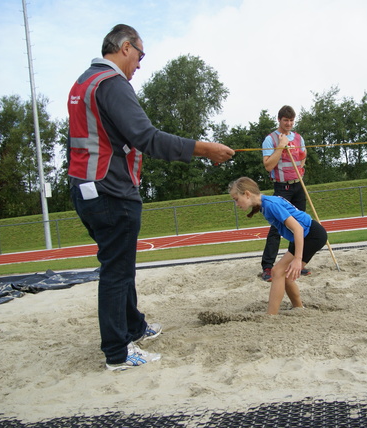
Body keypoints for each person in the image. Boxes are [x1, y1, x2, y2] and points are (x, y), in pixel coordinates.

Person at [67, 24, 234, 371]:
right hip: (111, 191)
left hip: (86, 188)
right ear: (125, 47)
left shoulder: (85, 81)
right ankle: (117, 352)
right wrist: (204, 149)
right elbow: (148, 138)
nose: (140, 65)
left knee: (120, 265)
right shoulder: (112, 84)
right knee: (117, 270)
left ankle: (134, 326)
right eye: (140, 56)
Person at [229, 177, 327, 315]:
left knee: (277, 272)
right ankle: (298, 308)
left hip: (311, 235)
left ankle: (271, 315)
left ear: (247, 194)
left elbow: (298, 228)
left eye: (236, 199)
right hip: (306, 235)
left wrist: (298, 259)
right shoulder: (263, 203)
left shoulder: (270, 204)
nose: (236, 204)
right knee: (285, 275)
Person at [260, 105, 311, 282]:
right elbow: (268, 166)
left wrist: (301, 167)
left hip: (298, 185)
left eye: (291, 120)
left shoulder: (298, 137)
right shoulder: (270, 139)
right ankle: (267, 267)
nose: (288, 124)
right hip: (282, 188)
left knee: (301, 225)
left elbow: (303, 156)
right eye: (285, 120)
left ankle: (297, 263)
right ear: (279, 120)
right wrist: (281, 147)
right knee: (277, 227)